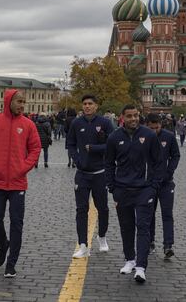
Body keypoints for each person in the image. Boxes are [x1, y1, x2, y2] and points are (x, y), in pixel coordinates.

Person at [0, 90, 41, 278]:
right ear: (9, 101)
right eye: (19, 101)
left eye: (24, 101)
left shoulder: (28, 124)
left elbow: (35, 148)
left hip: (18, 183)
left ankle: (11, 264)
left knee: (16, 223)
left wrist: (23, 167)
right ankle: (3, 243)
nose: (22, 105)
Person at [106, 104, 163, 283]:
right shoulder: (114, 137)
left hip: (144, 190)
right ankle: (130, 259)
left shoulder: (149, 135)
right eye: (129, 116)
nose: (133, 119)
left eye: (136, 115)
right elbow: (109, 164)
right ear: (122, 117)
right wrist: (112, 187)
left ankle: (141, 266)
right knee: (126, 227)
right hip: (122, 190)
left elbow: (159, 162)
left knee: (143, 227)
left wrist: (154, 186)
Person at [66, 94, 114, 259]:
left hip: (100, 174)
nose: (87, 106)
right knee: (81, 209)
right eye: (84, 103)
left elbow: (112, 144)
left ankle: (102, 236)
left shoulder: (105, 123)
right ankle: (83, 245)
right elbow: (70, 143)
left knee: (103, 208)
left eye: (90, 104)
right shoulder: (76, 123)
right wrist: (76, 158)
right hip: (82, 174)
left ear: (96, 106)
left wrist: (94, 148)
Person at [146, 113, 180, 259]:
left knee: (167, 214)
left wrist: (169, 172)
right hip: (148, 183)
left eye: (157, 128)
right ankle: (149, 242)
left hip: (166, 182)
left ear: (161, 125)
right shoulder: (142, 136)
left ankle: (168, 245)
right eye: (151, 128)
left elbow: (175, 156)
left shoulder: (169, 136)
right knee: (149, 214)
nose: (154, 131)